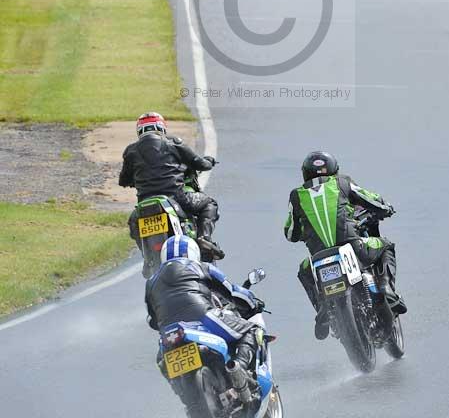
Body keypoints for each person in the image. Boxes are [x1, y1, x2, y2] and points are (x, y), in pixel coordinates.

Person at [284, 151, 406, 341]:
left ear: (305, 173)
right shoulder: (342, 182)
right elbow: (371, 199)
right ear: (334, 170)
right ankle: (387, 290)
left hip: (318, 259)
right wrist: (386, 207)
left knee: (304, 269)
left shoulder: (296, 196)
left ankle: (322, 309)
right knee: (386, 245)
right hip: (353, 247)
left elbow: (291, 233)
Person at [146, 236, 263, 394]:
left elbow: (153, 320)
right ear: (194, 253)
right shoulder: (201, 267)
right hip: (203, 317)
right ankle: (239, 369)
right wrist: (252, 302)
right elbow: (233, 292)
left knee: (161, 361)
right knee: (252, 330)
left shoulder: (151, 281)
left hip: (170, 331)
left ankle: (185, 396)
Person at [119, 112, 224, 260]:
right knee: (209, 203)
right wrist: (209, 161)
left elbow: (123, 180)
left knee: (133, 222)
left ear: (140, 131)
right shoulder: (173, 142)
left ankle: (148, 259)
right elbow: (200, 164)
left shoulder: (130, 151)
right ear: (161, 128)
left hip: (145, 203)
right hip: (178, 197)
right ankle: (204, 239)